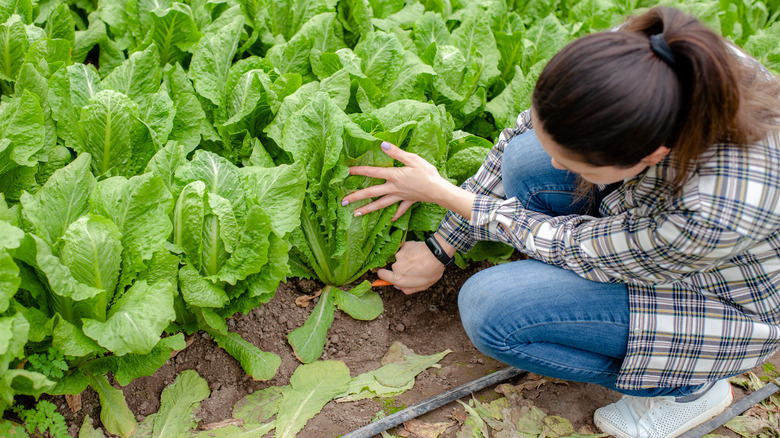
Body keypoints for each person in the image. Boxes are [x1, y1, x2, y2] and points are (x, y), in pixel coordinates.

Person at [341, 5, 780, 438]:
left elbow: (580, 248)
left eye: (576, 163)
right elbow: (520, 136)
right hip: (646, 234)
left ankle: (686, 389)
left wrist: (447, 196)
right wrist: (444, 245)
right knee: (527, 159)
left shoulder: (718, 209)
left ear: (649, 155)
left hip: (725, 300)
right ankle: (574, 298)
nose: (557, 164)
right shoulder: (641, 59)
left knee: (491, 309)